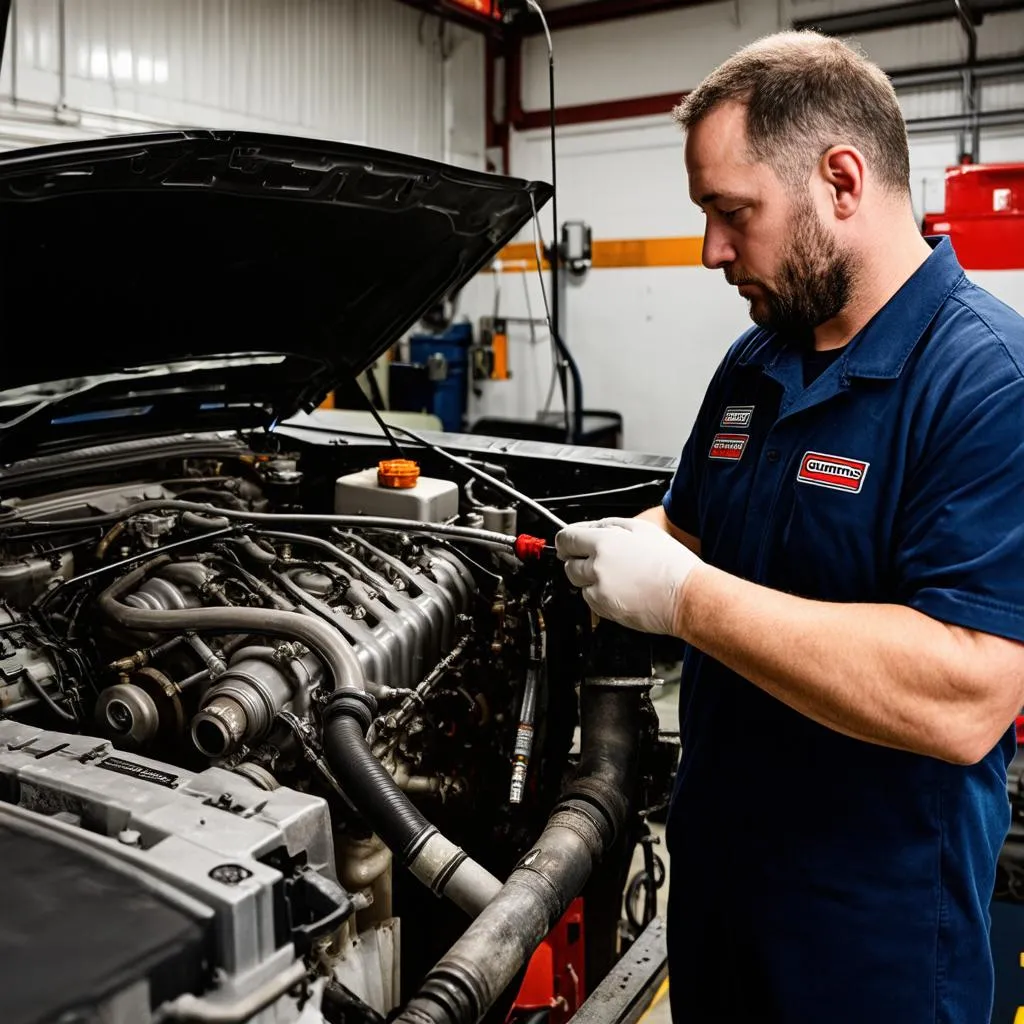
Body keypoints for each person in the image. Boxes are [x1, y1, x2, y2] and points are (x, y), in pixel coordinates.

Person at [555, 30, 1024, 1024]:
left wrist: (683, 599)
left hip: (873, 952)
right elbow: (683, 535)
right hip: (719, 907)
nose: (711, 250)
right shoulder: (753, 362)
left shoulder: (987, 382)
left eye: (733, 214)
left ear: (842, 180)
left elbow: (968, 691)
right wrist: (618, 554)